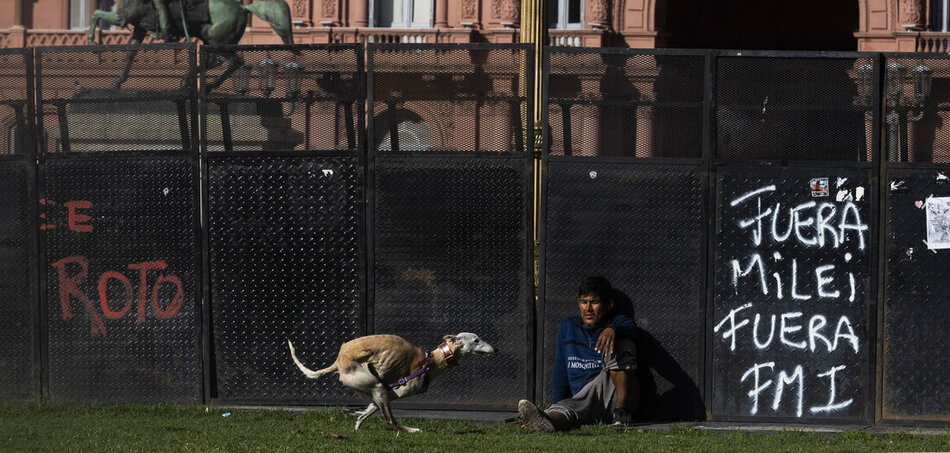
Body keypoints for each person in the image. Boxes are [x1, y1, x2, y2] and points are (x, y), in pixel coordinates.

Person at [519, 276, 639, 432]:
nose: (588, 308)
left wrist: (614, 330)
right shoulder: (567, 327)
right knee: (565, 407)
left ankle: (621, 414)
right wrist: (557, 403)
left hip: (612, 397)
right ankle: (547, 422)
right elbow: (561, 371)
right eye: (583, 302)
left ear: (609, 304)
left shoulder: (619, 322)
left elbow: (631, 329)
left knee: (623, 343)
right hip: (583, 402)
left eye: (594, 302)